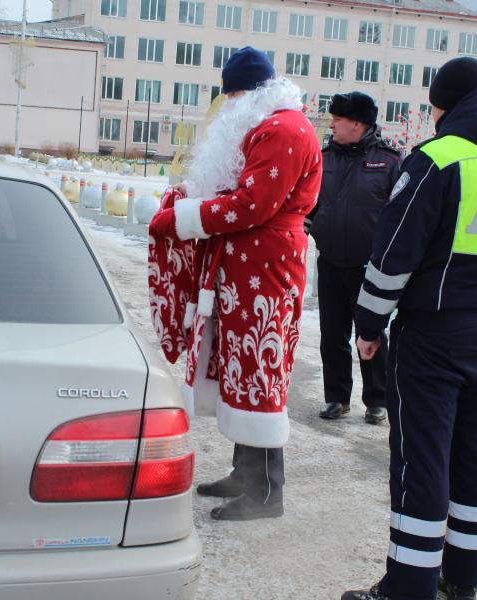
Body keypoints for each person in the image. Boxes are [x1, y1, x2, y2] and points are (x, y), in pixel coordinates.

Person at [341, 56, 477, 600]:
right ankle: (462, 580)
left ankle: (407, 588)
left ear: (446, 104)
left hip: (433, 337)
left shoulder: (437, 159)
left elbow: (392, 255)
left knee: (421, 460)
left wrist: (368, 322)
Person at [148, 47, 322, 521]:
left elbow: (251, 205)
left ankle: (268, 491)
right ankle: (246, 472)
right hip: (247, 264)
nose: (227, 107)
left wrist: (183, 219)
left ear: (250, 93)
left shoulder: (284, 129)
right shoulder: (268, 124)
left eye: (233, 96)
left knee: (260, 371)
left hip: (265, 266)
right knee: (239, 367)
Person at [306, 92, 400, 423]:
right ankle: (337, 397)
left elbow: (398, 214)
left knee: (370, 333)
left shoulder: (389, 162)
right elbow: (309, 204)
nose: (331, 124)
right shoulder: (324, 158)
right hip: (330, 261)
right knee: (332, 334)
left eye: (338, 119)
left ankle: (377, 400)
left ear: (357, 125)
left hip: (369, 268)